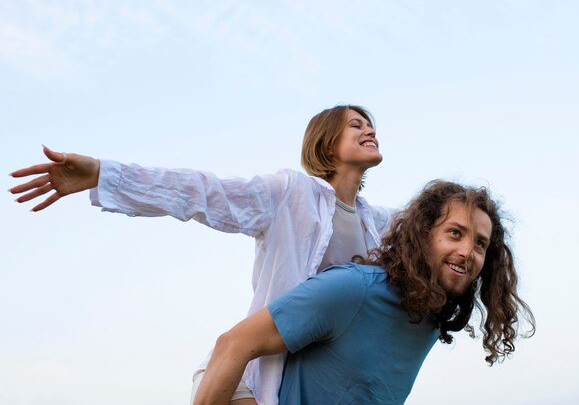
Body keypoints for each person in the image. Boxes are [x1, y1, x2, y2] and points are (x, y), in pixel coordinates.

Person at [9, 105, 396, 405]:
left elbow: (442, 217)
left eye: (370, 124)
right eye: (355, 124)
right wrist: (103, 174)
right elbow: (203, 191)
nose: (369, 129)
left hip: (302, 385)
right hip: (245, 376)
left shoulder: (375, 225)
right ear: (327, 143)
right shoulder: (290, 194)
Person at [193, 180, 536, 405]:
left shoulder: (433, 319)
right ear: (423, 236)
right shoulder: (353, 288)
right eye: (455, 233)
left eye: (480, 244)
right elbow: (232, 345)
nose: (468, 252)